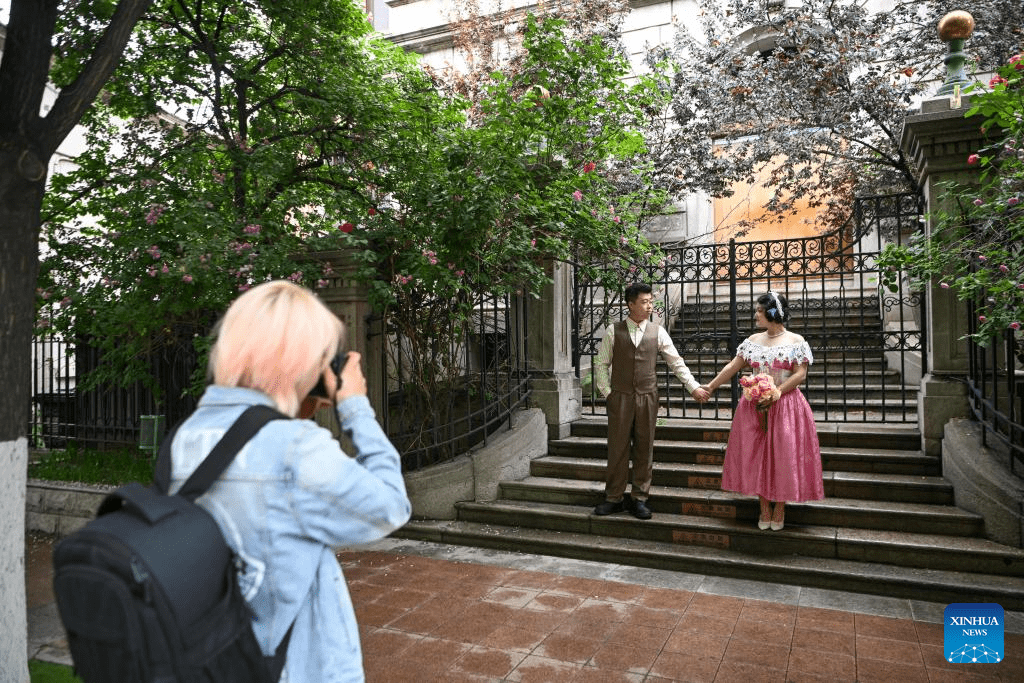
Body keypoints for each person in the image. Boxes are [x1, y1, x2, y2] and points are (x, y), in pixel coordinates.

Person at [166, 280, 411, 682]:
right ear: (302, 361)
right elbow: (390, 506)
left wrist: (295, 405)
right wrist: (354, 407)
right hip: (290, 667)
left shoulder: (187, 436)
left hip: (217, 657)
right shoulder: (294, 449)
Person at [699, 291, 824, 531]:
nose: (755, 315)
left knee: (783, 456)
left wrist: (777, 391)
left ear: (772, 313)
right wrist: (711, 386)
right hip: (754, 406)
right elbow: (733, 366)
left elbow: (800, 374)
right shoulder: (753, 341)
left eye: (759, 310)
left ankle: (780, 508)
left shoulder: (795, 341)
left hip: (786, 405)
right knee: (757, 456)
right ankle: (764, 507)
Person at [593, 283, 710, 520]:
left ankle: (640, 498)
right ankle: (613, 498)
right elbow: (601, 364)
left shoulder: (658, 331)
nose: (650, 306)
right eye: (645, 302)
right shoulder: (613, 331)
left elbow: (676, 362)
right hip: (620, 397)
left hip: (648, 397)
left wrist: (694, 387)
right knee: (617, 448)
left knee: (644, 448)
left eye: (651, 302)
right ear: (631, 304)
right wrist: (608, 393)